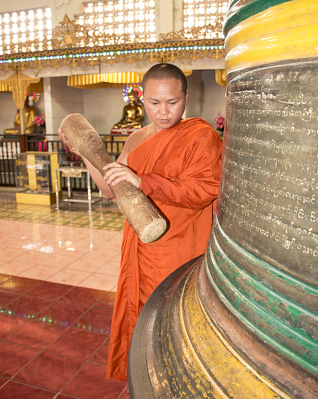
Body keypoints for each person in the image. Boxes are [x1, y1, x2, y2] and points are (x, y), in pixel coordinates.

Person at [59, 63, 223, 381]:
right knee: (144, 322)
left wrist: (144, 182)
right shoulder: (136, 139)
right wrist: (86, 155)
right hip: (141, 248)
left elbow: (203, 191)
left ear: (186, 98)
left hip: (181, 249)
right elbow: (110, 189)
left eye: (172, 102)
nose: (163, 112)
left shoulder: (200, 136)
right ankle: (151, 384)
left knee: (177, 321)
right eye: (154, 102)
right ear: (142, 98)